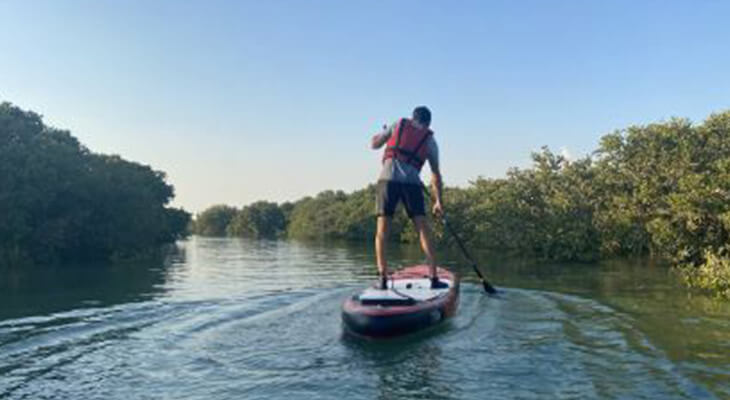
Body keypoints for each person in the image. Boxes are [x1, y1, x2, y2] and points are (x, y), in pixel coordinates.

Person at [370, 106, 446, 290]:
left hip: (387, 181)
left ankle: (382, 279)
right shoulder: (430, 141)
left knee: (382, 230)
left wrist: (383, 132)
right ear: (428, 123)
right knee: (423, 229)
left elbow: (374, 144)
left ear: (413, 118)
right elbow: (436, 175)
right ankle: (434, 278)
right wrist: (438, 202)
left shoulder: (398, 124)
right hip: (412, 185)